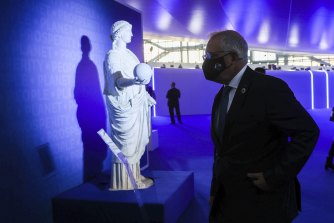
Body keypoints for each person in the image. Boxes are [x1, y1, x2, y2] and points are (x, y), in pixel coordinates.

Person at [202, 30, 320, 223]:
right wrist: (215, 190)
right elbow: (221, 151)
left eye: (210, 56)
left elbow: (308, 132)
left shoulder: (269, 88)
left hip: (261, 204)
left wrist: (275, 177)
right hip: (226, 201)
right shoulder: (220, 95)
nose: (206, 62)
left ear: (231, 58)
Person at [103, 20, 155, 190]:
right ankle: (124, 182)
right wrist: (134, 80)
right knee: (127, 145)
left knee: (138, 144)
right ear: (119, 33)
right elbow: (117, 82)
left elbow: (139, 82)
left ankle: (134, 175)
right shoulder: (113, 56)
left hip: (136, 105)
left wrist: (145, 95)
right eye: (129, 31)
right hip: (124, 106)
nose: (132, 35)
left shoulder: (130, 55)